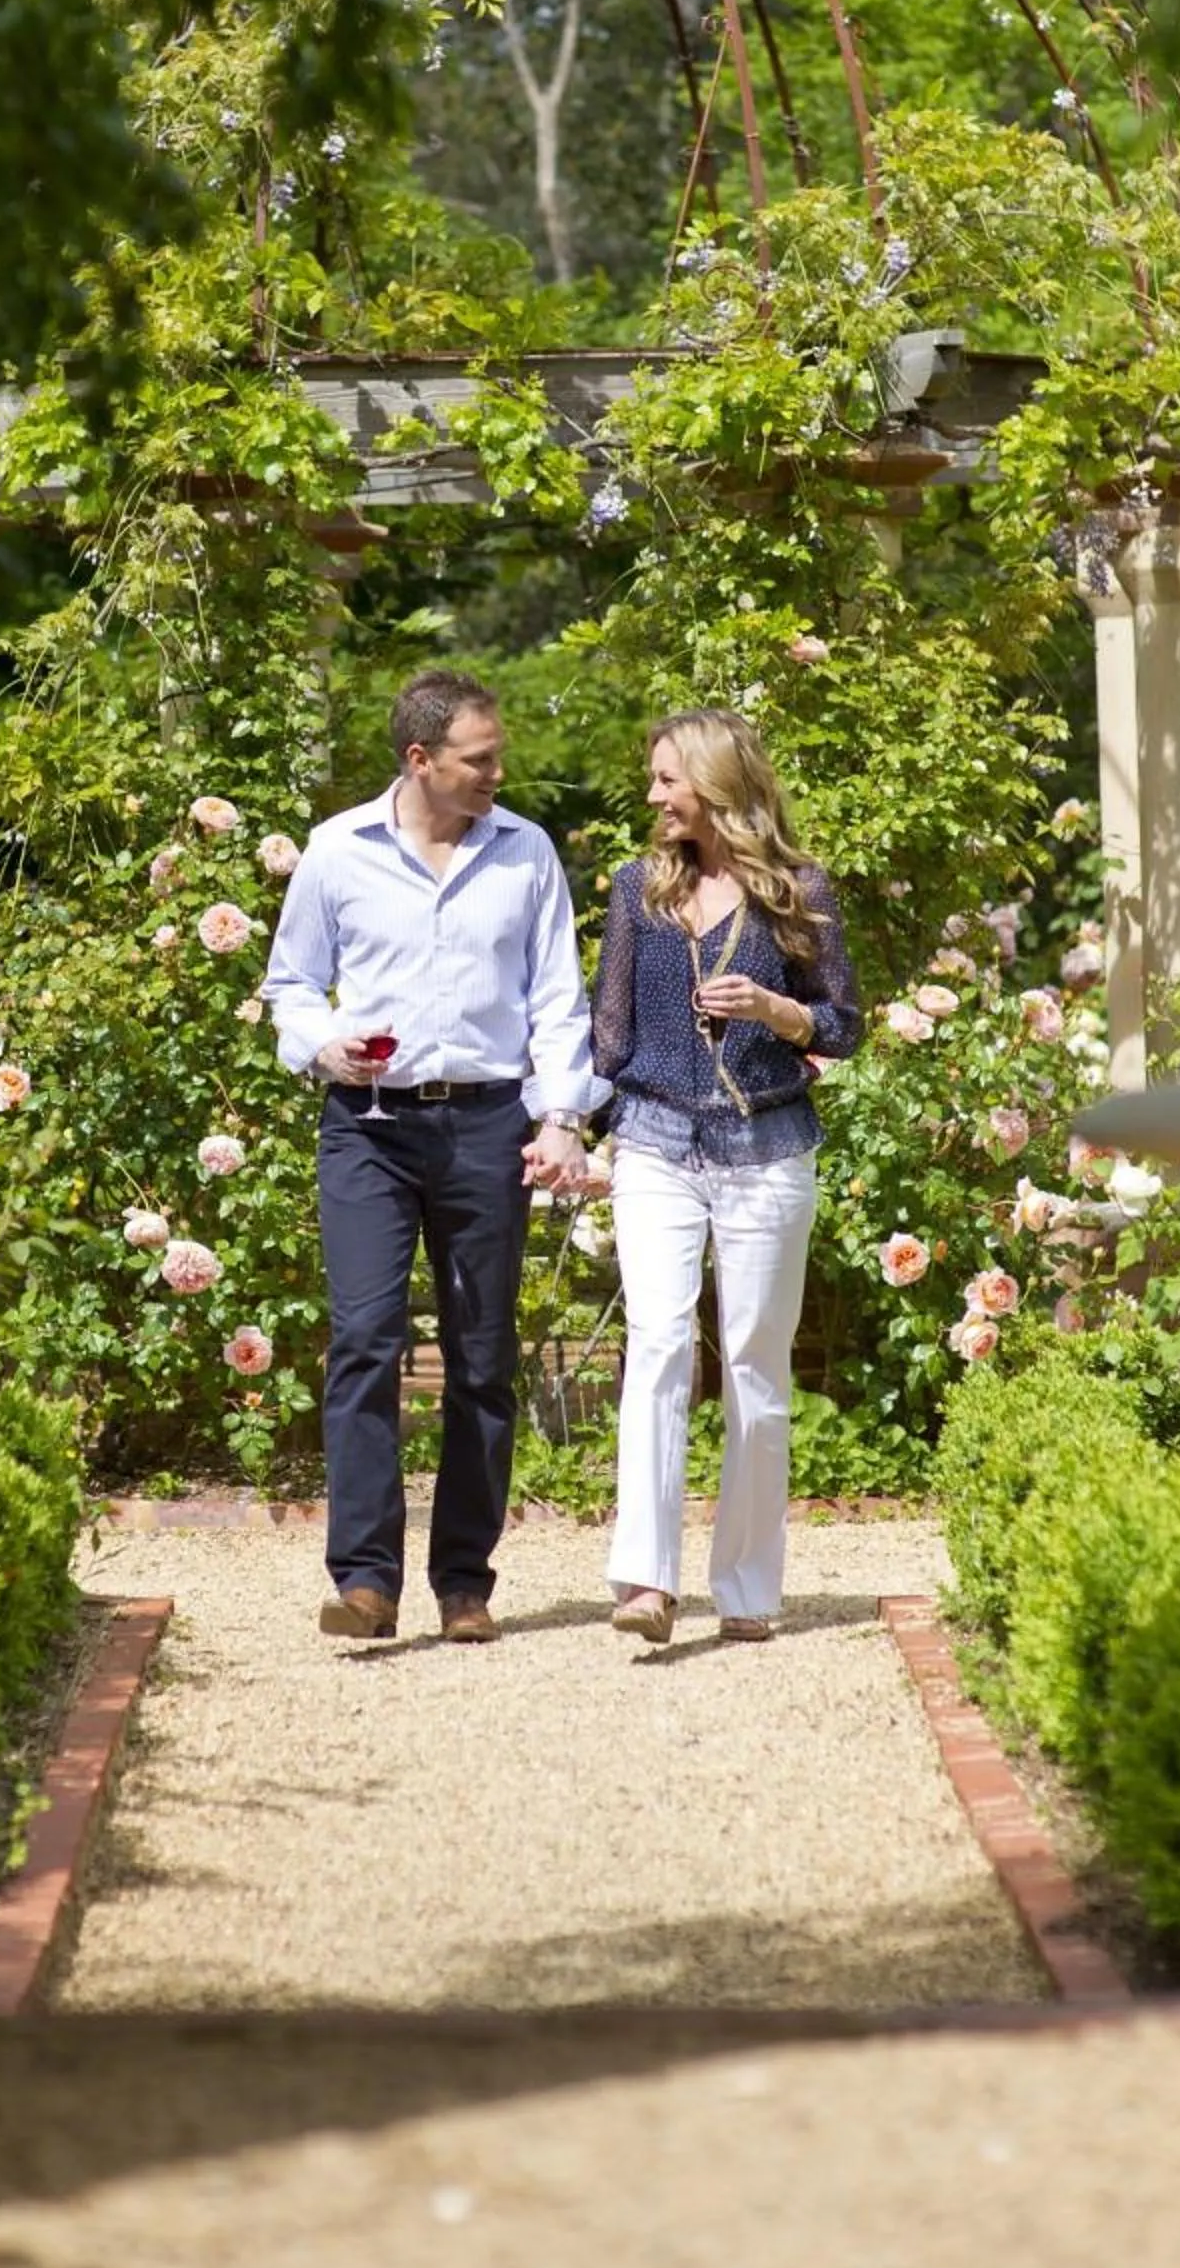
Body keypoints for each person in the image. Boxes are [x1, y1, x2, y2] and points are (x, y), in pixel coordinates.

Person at [264, 667, 600, 1646]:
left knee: (481, 1356)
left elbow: (556, 1002)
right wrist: (317, 1044)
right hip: (366, 1124)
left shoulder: (527, 853)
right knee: (365, 1338)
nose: (500, 772)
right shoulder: (337, 852)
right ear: (421, 760)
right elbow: (290, 986)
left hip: (490, 1122)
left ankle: (464, 1583)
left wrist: (562, 1118)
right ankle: (365, 1581)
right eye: (480, 758)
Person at [592, 707, 861, 1646]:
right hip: (659, 1143)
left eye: (669, 779)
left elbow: (843, 1025)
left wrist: (776, 1011)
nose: (655, 794)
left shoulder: (799, 890)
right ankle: (646, 1581)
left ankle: (746, 1587)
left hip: (769, 1150)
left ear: (716, 784)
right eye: (655, 778)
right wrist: (580, 1128)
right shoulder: (639, 891)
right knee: (661, 1343)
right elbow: (610, 1034)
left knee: (754, 1363)